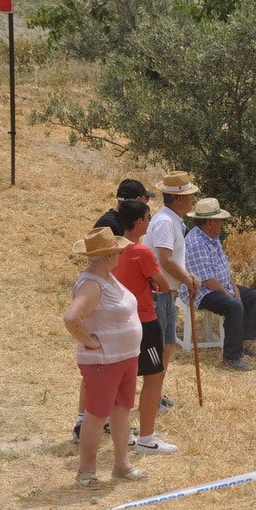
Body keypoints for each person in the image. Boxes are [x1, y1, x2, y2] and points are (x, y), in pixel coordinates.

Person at [72, 178, 160, 444]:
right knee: (98, 381)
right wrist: (88, 339)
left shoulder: (115, 223)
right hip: (107, 320)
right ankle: (83, 423)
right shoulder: (110, 227)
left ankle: (93, 424)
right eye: (144, 203)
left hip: (114, 320)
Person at [63, 227, 148, 489]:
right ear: (109, 255)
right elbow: (71, 318)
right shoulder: (91, 284)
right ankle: (86, 471)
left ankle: (122, 465)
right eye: (118, 251)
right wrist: (89, 341)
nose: (121, 254)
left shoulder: (106, 278)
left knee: (122, 411)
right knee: (97, 415)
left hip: (123, 358)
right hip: (104, 361)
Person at [113, 200, 179, 454]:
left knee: (123, 379)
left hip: (120, 321)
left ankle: (125, 432)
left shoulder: (112, 249)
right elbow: (162, 285)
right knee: (154, 377)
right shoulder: (142, 252)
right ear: (139, 222)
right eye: (147, 218)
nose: (150, 223)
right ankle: (147, 438)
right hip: (143, 321)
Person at [183, 198, 256, 372]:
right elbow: (207, 281)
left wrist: (234, 288)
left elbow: (224, 268)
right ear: (209, 222)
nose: (222, 224)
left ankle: (243, 344)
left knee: (252, 296)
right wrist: (230, 294)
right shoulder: (196, 243)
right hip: (200, 291)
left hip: (219, 285)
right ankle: (231, 358)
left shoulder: (212, 237)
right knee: (234, 306)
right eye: (219, 220)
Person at [143, 171, 201, 397]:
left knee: (167, 345)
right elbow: (164, 260)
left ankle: (156, 394)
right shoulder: (166, 222)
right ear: (178, 199)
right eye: (189, 196)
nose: (192, 200)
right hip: (159, 293)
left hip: (167, 292)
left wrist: (188, 276)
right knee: (158, 347)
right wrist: (187, 279)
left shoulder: (172, 220)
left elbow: (173, 259)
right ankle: (151, 396)